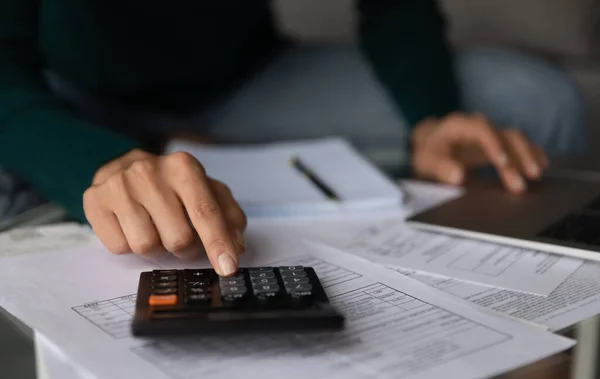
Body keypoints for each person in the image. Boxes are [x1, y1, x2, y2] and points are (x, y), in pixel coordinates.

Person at [0, 0, 588, 276]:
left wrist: (431, 115)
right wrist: (98, 164)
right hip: (70, 94)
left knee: (535, 100)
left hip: (246, 80)